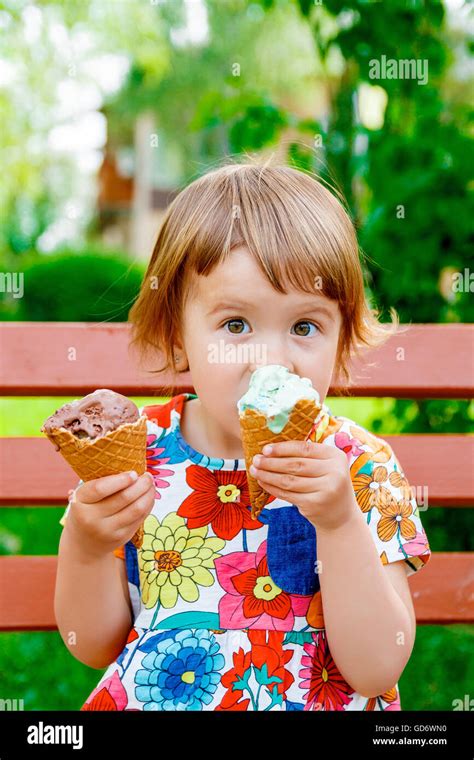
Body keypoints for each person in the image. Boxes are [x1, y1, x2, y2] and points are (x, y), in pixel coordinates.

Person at [55, 161, 431, 711]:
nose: (271, 358)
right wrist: (87, 548)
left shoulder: (362, 466)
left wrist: (341, 523)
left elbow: (377, 668)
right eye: (236, 325)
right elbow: (91, 645)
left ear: (342, 340)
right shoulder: (138, 452)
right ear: (177, 338)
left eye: (305, 327)